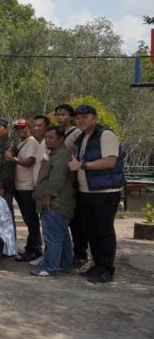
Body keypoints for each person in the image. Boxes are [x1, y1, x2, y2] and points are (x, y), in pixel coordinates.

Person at [68, 104, 125, 284]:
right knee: (90, 230)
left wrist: (82, 166)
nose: (81, 120)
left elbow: (109, 162)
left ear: (95, 118)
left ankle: (107, 268)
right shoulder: (83, 137)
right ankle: (97, 264)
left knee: (104, 230)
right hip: (86, 191)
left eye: (85, 117)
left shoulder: (106, 135)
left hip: (105, 191)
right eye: (78, 118)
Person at [31, 126, 76, 277]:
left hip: (56, 204)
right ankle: (64, 264)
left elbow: (57, 178)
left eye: (51, 137)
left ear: (61, 139)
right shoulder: (56, 154)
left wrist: (47, 196)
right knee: (61, 236)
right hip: (58, 203)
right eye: (46, 137)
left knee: (53, 238)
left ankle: (50, 267)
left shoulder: (61, 155)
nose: (47, 140)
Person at [5, 117, 42, 262]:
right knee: (29, 220)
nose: (20, 131)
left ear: (29, 128)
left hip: (27, 186)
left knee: (31, 220)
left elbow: (29, 162)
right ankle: (33, 248)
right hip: (20, 185)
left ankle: (34, 249)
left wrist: (12, 158)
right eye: (18, 129)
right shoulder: (21, 142)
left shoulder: (32, 142)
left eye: (23, 128)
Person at [54, 103, 87, 266]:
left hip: (74, 180)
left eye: (64, 114)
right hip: (62, 180)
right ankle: (65, 254)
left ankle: (81, 254)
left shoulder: (77, 134)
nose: (61, 118)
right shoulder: (57, 133)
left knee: (77, 220)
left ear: (71, 117)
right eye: (58, 115)